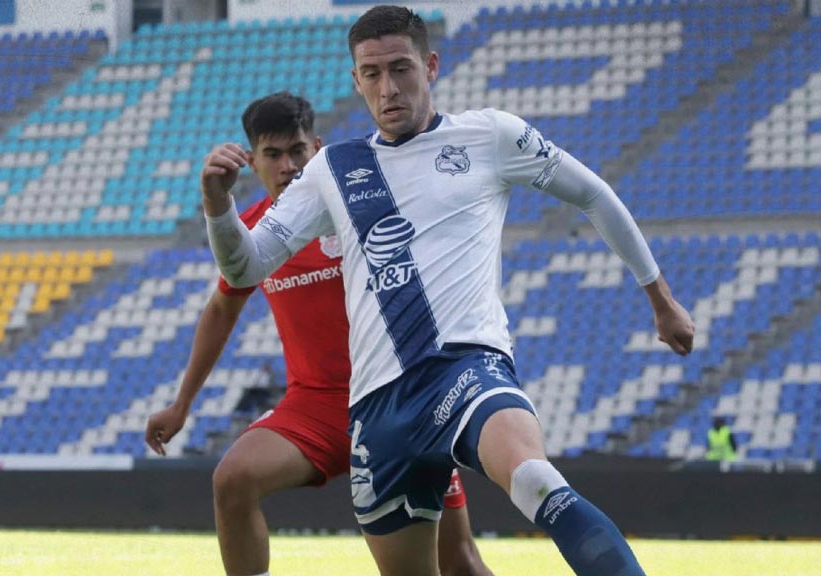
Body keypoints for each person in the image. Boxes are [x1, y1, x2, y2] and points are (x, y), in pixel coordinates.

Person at [200, 7, 696, 576]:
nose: (388, 88)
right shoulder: (333, 169)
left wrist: (659, 296)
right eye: (372, 74)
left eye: (401, 68)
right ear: (355, 80)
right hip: (376, 411)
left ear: (430, 65)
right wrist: (219, 207)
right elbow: (244, 268)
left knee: (533, 477)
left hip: (464, 368)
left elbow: (593, 193)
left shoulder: (489, 134)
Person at [146, 92, 494, 576]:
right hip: (315, 406)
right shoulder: (249, 234)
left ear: (318, 148)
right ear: (251, 162)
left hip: (395, 399)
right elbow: (222, 308)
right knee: (233, 479)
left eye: (297, 152)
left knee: (458, 563)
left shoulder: (359, 210)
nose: (288, 166)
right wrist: (182, 403)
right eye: (273, 155)